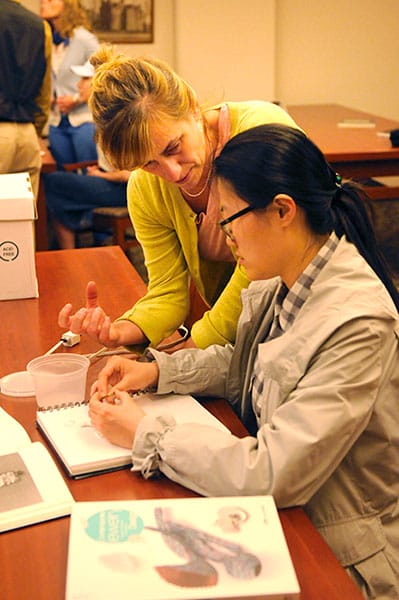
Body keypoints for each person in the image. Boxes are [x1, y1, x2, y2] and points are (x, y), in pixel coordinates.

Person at [88, 124, 399, 599]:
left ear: (282, 210)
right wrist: (156, 372)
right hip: (291, 520)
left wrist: (145, 435)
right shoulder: (285, 278)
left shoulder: (357, 321)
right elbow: (247, 365)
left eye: (229, 217)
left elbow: (274, 472)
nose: (224, 235)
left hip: (340, 555)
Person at [58, 46, 298, 351]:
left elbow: (262, 270)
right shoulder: (146, 188)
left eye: (173, 148)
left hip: (305, 315)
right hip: (244, 337)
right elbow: (167, 292)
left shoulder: (261, 134)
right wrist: (120, 332)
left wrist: (188, 352)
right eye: (148, 163)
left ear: (192, 107)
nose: (171, 173)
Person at [43, 60, 130, 249]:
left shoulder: (117, 122)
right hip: (110, 181)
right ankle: (75, 245)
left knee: (52, 183)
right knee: (56, 188)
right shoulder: (105, 118)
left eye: (84, 79)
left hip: (125, 191)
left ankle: (71, 251)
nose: (78, 85)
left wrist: (100, 175)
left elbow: (132, 175)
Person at [0, 0, 52, 200]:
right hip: (27, 133)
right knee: (23, 223)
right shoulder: (40, 26)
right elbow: (44, 90)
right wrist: (36, 129)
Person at [40, 0, 99, 167]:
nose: (44, 3)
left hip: (83, 120)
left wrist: (76, 98)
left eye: (51, 0)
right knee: (63, 175)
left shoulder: (84, 38)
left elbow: (103, 72)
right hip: (56, 121)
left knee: (88, 174)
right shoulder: (48, 39)